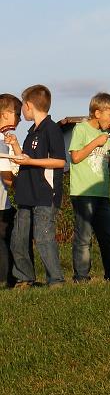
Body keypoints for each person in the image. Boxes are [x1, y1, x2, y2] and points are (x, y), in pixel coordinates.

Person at [68, 93, 110, 282]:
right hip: (83, 192)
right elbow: (75, 157)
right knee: (84, 236)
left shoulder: (106, 135)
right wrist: (95, 142)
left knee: (108, 236)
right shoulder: (81, 129)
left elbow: (105, 162)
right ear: (97, 113)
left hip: (102, 193)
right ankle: (81, 277)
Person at [10, 85, 67, 288]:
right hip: (26, 193)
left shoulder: (51, 129)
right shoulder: (31, 132)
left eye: (22, 107)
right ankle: (25, 278)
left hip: (45, 194)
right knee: (18, 238)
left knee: (43, 238)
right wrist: (15, 145)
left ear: (28, 105)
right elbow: (26, 159)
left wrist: (30, 161)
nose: (21, 112)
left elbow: (60, 161)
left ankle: (56, 280)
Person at [0, 94, 22, 287]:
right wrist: (24, 186)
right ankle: (6, 280)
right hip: (1, 205)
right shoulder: (0, 142)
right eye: (17, 114)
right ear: (6, 114)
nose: (19, 119)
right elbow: (7, 177)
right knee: (5, 241)